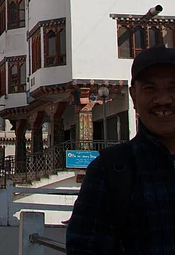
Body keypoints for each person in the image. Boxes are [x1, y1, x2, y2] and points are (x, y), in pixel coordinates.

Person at [66, 44, 175, 254]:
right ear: (134, 96)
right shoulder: (109, 171)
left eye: (173, 87)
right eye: (150, 89)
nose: (163, 100)